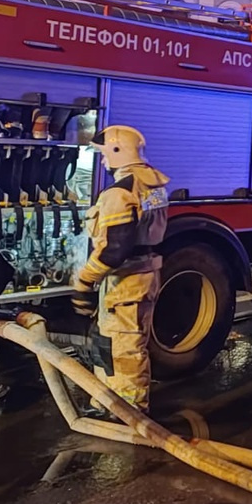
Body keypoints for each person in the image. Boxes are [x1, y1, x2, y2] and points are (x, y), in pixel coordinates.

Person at [72, 125, 171, 418]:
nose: (103, 160)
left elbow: (115, 249)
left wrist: (85, 280)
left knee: (123, 347)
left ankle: (129, 413)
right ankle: (106, 403)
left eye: (105, 154)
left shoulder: (120, 192)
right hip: (141, 275)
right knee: (110, 342)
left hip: (125, 280)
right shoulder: (151, 183)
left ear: (118, 150)